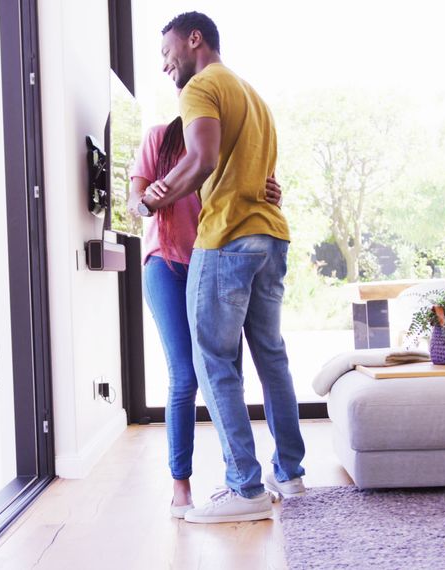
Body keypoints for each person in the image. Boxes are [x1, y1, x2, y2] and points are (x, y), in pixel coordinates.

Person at [138, 11, 306, 524]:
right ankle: (291, 473)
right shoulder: (253, 97)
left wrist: (154, 196)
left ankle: (245, 487)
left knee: (214, 362)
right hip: (270, 237)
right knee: (271, 357)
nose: (167, 67)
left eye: (168, 55)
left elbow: (203, 159)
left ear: (195, 40)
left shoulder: (201, 87)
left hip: (228, 238)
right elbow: (261, 174)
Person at [128, 116, 282, 519]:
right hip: (166, 263)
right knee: (184, 375)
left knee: (224, 369)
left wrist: (273, 195)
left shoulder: (233, 143)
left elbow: (257, 200)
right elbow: (134, 202)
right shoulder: (161, 137)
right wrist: (149, 198)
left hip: (214, 263)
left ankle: (239, 480)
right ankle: (181, 484)